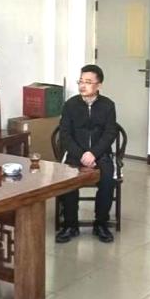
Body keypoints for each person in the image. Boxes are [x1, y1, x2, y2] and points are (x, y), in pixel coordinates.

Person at [55, 64, 119, 244]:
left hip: (101, 154)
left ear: (99, 85)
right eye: (81, 81)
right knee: (69, 179)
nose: (83, 85)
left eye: (88, 82)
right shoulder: (70, 105)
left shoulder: (108, 105)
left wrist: (94, 153)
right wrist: (82, 154)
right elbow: (65, 135)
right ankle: (70, 225)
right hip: (75, 154)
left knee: (107, 181)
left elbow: (110, 133)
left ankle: (101, 224)